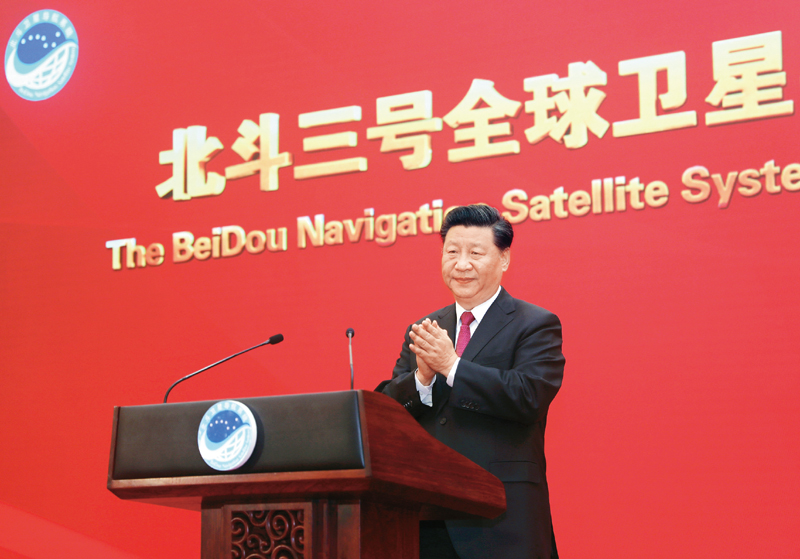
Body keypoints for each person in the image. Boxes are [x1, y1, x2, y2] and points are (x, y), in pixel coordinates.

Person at [377, 204, 565, 559]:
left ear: (504, 259)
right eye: (452, 252)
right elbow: (388, 413)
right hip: (427, 515)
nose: (461, 264)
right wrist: (422, 378)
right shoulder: (425, 329)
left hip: (500, 517)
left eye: (475, 253)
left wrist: (452, 366)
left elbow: (528, 397)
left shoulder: (535, 324)